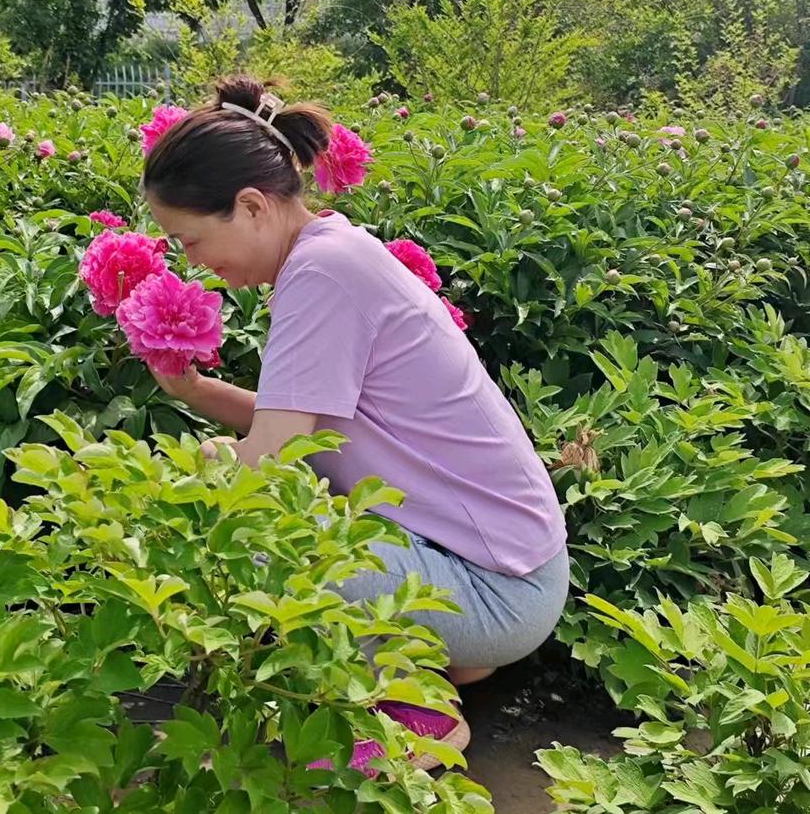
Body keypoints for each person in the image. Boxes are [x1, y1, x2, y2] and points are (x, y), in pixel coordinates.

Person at [141, 75, 568, 767]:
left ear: (250, 206)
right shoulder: (333, 254)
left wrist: (184, 482)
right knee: (254, 489)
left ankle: (414, 706)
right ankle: (439, 654)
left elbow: (272, 461)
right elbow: (315, 434)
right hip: (508, 572)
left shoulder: (321, 277)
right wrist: (191, 388)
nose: (192, 262)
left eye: (189, 240)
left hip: (500, 592)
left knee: (250, 526)